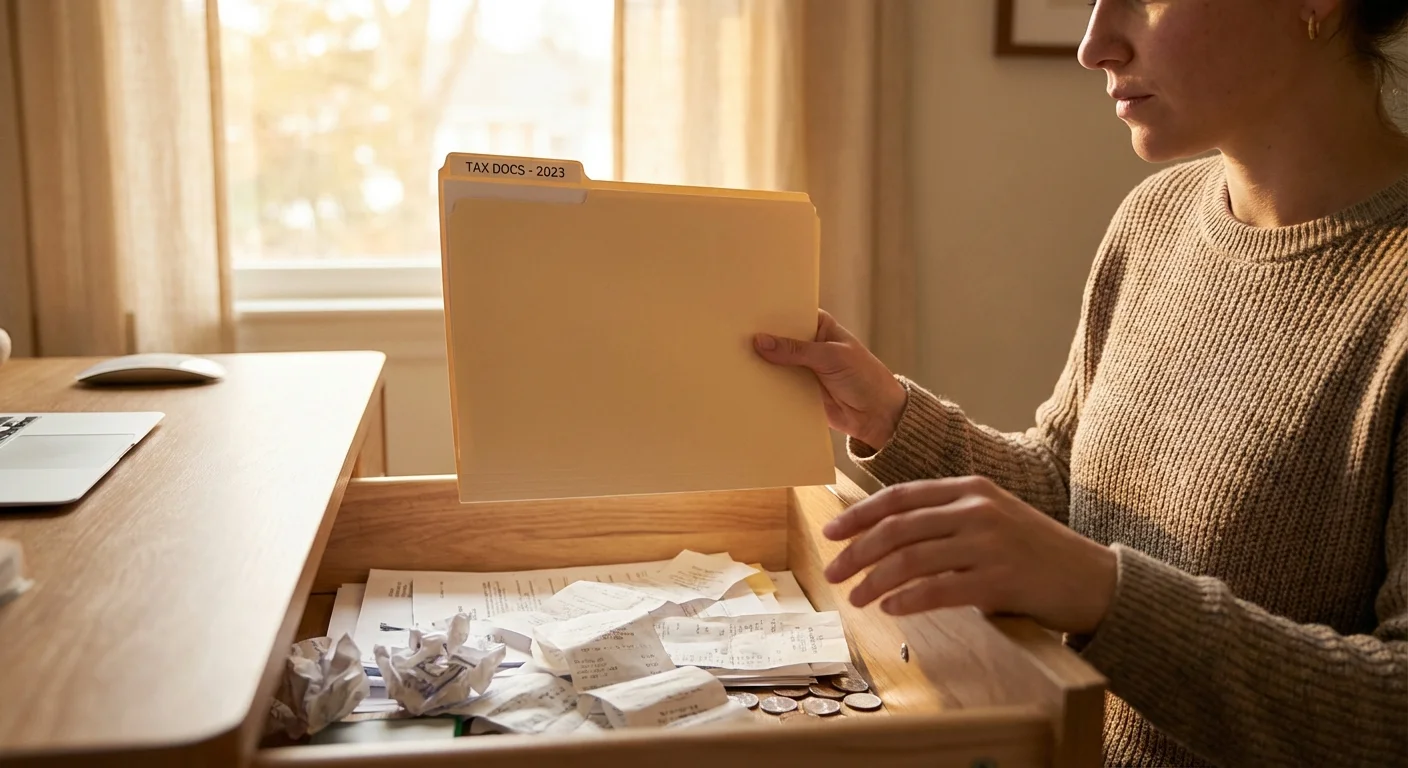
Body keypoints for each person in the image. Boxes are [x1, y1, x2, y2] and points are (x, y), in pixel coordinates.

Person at [754, 1, 1408, 766]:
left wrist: (1104, 594)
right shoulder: (1155, 218)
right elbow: (1071, 486)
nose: (1095, 46)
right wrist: (895, 418)